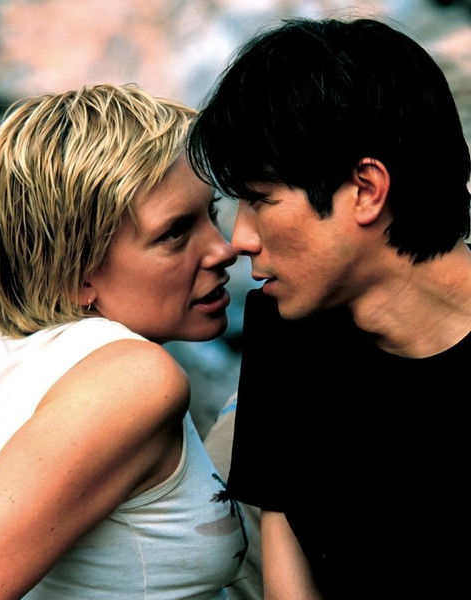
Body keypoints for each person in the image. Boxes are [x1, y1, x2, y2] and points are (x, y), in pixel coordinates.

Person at [0, 84, 248, 600]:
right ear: (75, 276)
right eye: (174, 234)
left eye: (211, 213)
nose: (223, 249)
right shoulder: (135, 378)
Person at [187, 17, 471, 600]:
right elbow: (288, 562)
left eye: (260, 200)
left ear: (366, 190)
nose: (239, 239)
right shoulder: (287, 329)